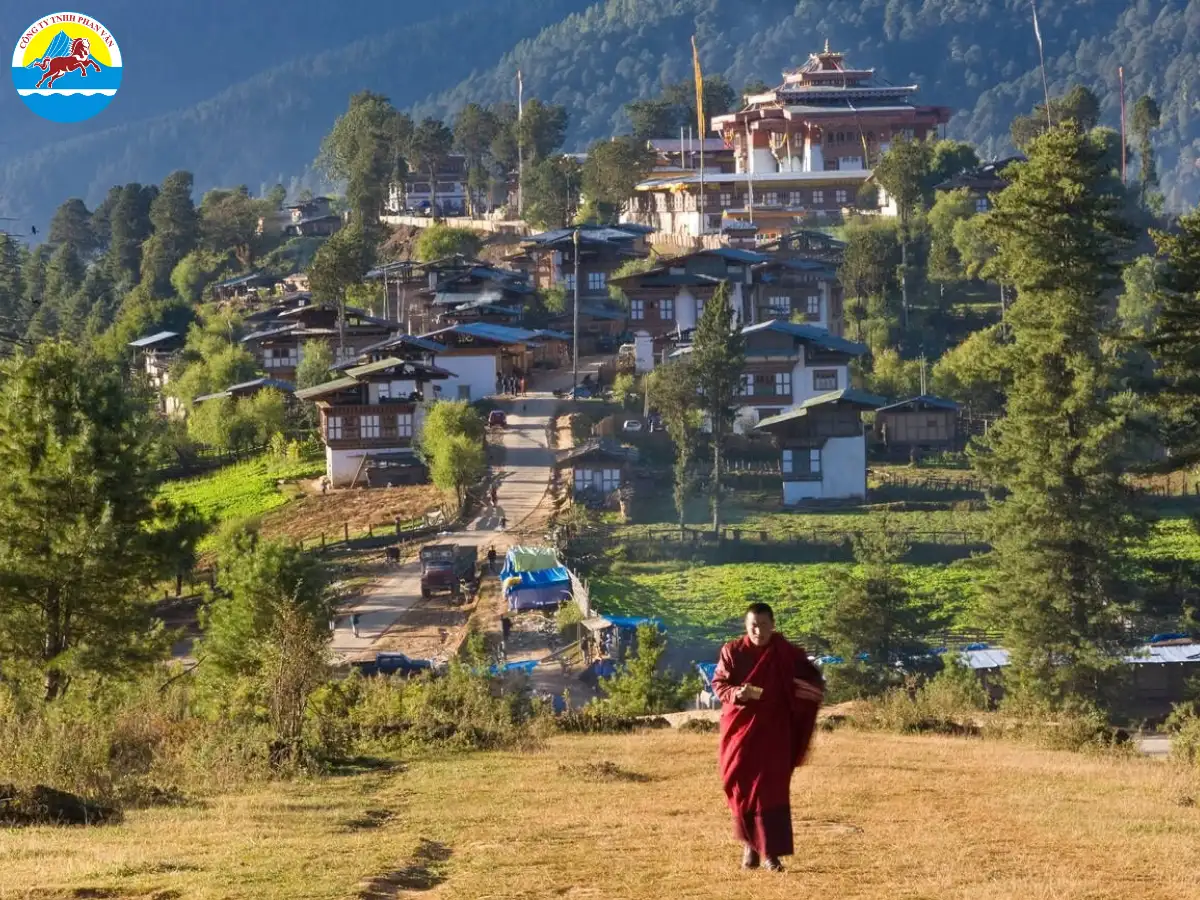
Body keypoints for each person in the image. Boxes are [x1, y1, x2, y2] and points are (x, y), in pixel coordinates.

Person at [711, 602, 824, 873]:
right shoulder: (733, 651)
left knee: (771, 793)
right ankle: (750, 845)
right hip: (741, 732)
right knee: (741, 788)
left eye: (762, 625)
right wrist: (737, 693)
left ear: (772, 625)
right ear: (745, 626)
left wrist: (797, 703)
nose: (757, 631)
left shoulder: (787, 653)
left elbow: (812, 683)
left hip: (775, 732)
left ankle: (771, 854)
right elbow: (719, 684)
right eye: (752, 625)